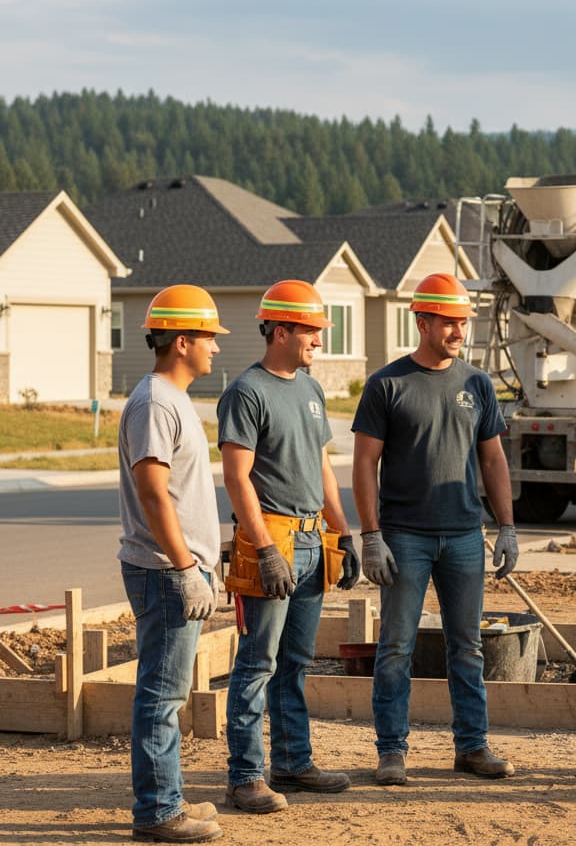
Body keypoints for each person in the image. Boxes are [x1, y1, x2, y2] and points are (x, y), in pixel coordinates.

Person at [352, 272, 519, 787]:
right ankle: (391, 752)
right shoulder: (387, 385)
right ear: (421, 320)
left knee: (466, 645)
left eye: (463, 322)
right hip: (405, 537)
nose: (458, 330)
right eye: (448, 321)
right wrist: (371, 535)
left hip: (466, 536)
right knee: (396, 646)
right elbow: (363, 464)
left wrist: (507, 526)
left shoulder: (477, 384)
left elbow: (493, 461)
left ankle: (471, 748)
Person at [219, 279, 360, 814]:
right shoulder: (247, 392)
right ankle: (245, 776)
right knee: (257, 662)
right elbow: (237, 478)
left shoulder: (309, 389)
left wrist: (341, 531)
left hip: (310, 538)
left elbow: (321, 463)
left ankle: (293, 763)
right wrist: (264, 548)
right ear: (281, 330)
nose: (319, 342)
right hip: (271, 538)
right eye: (312, 332)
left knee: (295, 660)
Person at [117, 285, 229, 843]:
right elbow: (154, 493)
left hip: (174, 569)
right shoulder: (156, 403)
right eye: (208, 337)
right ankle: (158, 812)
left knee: (168, 693)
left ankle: (168, 797)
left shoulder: (171, 398)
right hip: (164, 572)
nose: (215, 347)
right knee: (161, 696)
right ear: (180, 341)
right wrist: (187, 568)